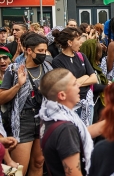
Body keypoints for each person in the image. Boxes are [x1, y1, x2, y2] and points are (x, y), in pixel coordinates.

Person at [0, 32, 52, 176]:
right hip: (22, 120)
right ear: (29, 51)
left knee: (38, 163)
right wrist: (18, 86)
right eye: (40, 51)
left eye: (45, 50)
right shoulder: (14, 69)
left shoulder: (47, 67)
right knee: (18, 168)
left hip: (43, 118)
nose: (43, 54)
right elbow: (1, 98)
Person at [38, 68, 104, 176]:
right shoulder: (66, 129)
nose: (79, 85)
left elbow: (80, 133)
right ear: (62, 95)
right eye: (74, 84)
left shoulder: (50, 116)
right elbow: (73, 173)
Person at [52, 27, 98, 126]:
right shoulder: (57, 61)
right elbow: (66, 85)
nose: (81, 42)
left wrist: (76, 82)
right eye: (78, 39)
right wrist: (85, 77)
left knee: (87, 135)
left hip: (87, 103)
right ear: (69, 42)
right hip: (71, 105)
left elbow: (94, 78)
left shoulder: (81, 56)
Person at [80, 39, 108, 125]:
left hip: (99, 102)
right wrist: (107, 87)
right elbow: (93, 86)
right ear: (93, 52)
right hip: (90, 104)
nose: (100, 55)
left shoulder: (95, 65)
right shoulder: (84, 68)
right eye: (99, 52)